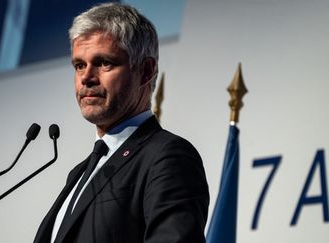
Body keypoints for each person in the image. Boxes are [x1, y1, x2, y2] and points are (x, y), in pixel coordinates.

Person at [34, 3, 209, 243]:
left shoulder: (166, 157)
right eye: (79, 65)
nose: (86, 77)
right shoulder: (80, 173)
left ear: (146, 71)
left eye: (104, 63)